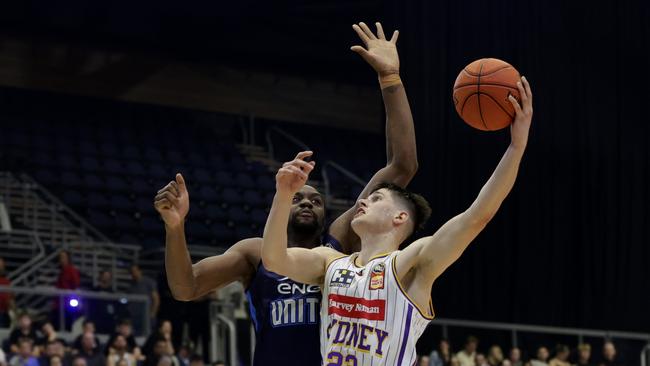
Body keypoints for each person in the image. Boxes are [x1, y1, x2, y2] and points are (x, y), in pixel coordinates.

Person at [155, 21, 419, 366]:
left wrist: (391, 80)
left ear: (329, 214)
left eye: (316, 199)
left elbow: (403, 165)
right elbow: (185, 288)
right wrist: (175, 229)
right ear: (280, 203)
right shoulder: (254, 252)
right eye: (297, 198)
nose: (307, 201)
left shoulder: (337, 242)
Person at [260, 46, 533, 366]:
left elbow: (477, 217)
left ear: (400, 217)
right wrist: (282, 195)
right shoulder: (329, 262)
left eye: (376, 199)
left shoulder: (411, 264)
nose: (363, 200)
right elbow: (274, 260)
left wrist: (516, 146)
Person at [126, 264, 159, 335]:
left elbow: (156, 299)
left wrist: (153, 313)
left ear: (139, 271)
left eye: (134, 271)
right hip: (135, 317)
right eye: (131, 272)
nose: (133, 273)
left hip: (147, 316)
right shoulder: (130, 286)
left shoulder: (149, 282)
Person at [0, 257, 15, 328]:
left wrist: (14, 313)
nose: (1, 267)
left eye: (2, 266)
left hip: (3, 314)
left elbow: (11, 299)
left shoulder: (6, 281)